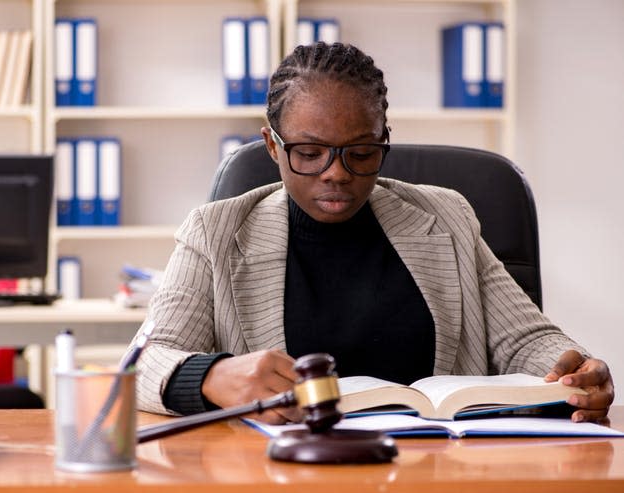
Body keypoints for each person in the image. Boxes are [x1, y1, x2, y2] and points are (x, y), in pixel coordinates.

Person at [128, 41, 614, 424]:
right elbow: (143, 366)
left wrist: (575, 371)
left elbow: (526, 340)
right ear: (272, 147)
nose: (336, 173)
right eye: (309, 152)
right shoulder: (216, 231)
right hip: (284, 474)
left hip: (444, 472)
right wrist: (211, 376)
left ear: (384, 140)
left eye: (360, 153)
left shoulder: (447, 218)